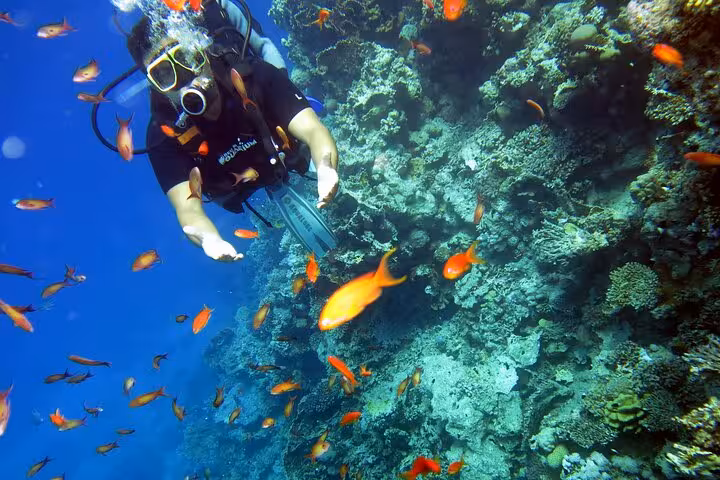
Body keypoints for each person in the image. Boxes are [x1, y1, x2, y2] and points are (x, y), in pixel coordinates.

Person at [126, 0, 339, 262]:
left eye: (186, 59)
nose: (184, 78)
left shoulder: (253, 76)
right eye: (164, 74)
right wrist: (208, 238)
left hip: (279, 150)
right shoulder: (163, 135)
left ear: (201, 50)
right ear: (155, 86)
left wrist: (326, 166)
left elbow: (313, 130)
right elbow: (188, 209)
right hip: (234, 187)